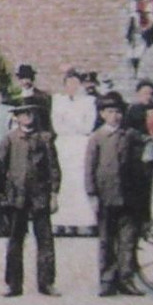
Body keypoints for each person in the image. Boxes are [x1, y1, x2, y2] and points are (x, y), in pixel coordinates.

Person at [86, 91, 151, 297]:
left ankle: (126, 278)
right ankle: (106, 280)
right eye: (110, 111)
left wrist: (149, 150)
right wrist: (92, 194)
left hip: (128, 195)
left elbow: (147, 140)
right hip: (106, 195)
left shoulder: (129, 134)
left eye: (118, 112)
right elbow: (89, 168)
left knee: (127, 239)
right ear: (102, 114)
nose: (115, 116)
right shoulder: (97, 137)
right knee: (106, 239)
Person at [0, 100, 62, 297]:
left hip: (40, 195)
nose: (27, 117)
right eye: (23, 114)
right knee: (15, 240)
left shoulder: (45, 139)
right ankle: (14, 284)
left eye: (31, 113)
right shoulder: (9, 139)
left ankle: (46, 283)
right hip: (16, 197)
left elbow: (54, 169)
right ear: (16, 117)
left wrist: (54, 194)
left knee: (45, 241)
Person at [51, 69, 98, 232]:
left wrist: (71, 124)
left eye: (75, 83)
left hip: (81, 145)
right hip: (64, 146)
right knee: (64, 182)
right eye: (69, 83)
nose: (72, 87)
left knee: (79, 182)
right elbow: (57, 126)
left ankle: (83, 222)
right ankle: (62, 221)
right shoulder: (58, 100)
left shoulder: (89, 102)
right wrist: (73, 125)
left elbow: (88, 126)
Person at [14, 64, 53, 132]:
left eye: (28, 78)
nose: (25, 81)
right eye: (22, 78)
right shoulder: (15, 98)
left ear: (32, 79)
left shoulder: (43, 97)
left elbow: (48, 118)